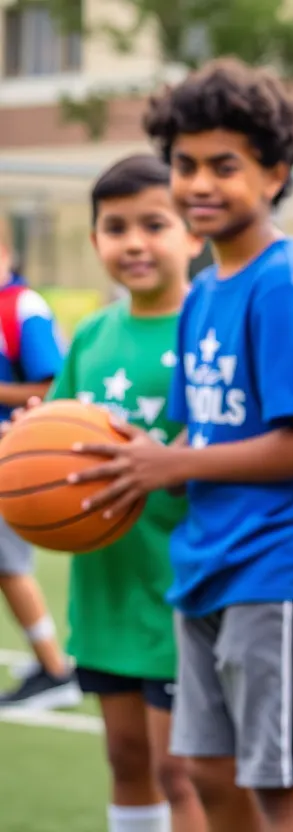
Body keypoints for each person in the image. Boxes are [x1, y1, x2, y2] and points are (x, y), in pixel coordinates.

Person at [70, 58, 293, 832]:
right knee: (206, 774)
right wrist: (132, 453)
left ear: (275, 173)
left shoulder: (284, 284)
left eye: (224, 166)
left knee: (279, 785)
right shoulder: (204, 291)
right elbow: (207, 428)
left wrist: (178, 462)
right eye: (185, 165)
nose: (200, 183)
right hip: (206, 561)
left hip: (275, 565)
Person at [36, 153, 207, 832]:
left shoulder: (207, 327)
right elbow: (50, 438)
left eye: (153, 224)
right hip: (105, 581)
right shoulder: (93, 334)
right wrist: (28, 443)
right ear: (95, 240)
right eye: (115, 228)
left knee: (181, 770)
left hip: (177, 583)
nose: (133, 242)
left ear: (193, 234)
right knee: (126, 756)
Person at [0, 220, 79, 710]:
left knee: (8, 566)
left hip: (13, 455)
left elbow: (53, 387)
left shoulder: (22, 307)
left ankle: (54, 669)